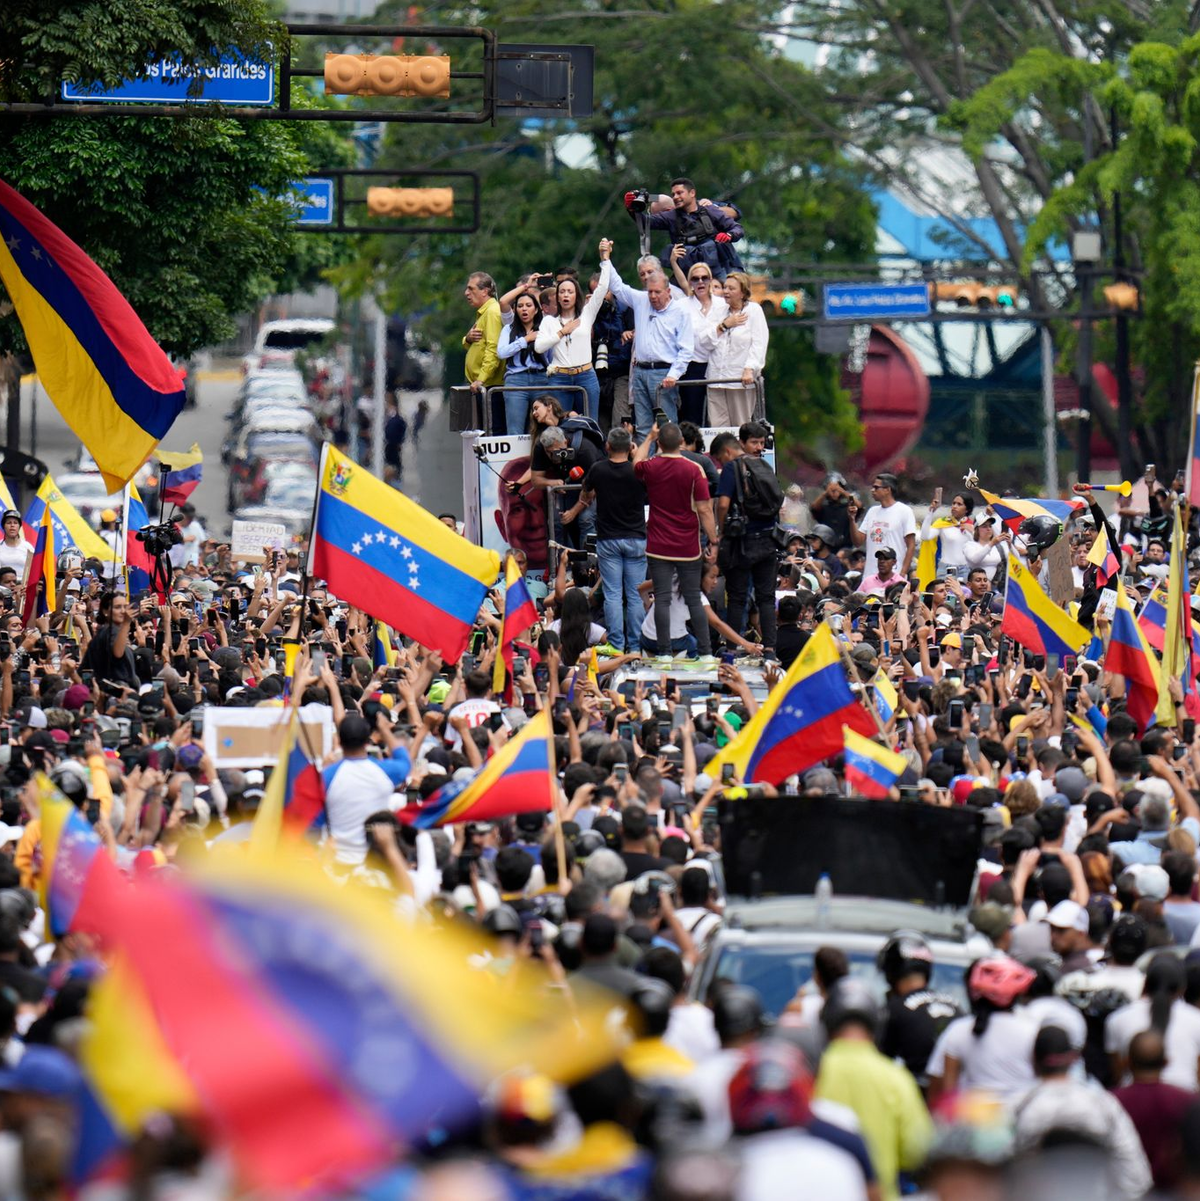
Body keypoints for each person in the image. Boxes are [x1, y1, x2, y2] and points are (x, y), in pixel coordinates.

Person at [815, 979, 933, 1201]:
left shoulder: (812, 1072)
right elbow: (916, 1151)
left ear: (826, 1023)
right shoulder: (896, 1078)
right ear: (876, 1024)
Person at [1012, 1025, 1152, 1201]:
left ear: (1033, 1060)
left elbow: (1000, 1172)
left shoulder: (1018, 1108)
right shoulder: (1103, 1103)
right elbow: (1134, 1173)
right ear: (1073, 1059)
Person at [632, 422, 719, 669]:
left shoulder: (651, 466)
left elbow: (635, 462)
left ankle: (664, 654)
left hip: (658, 545)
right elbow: (704, 509)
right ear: (681, 442)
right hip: (688, 545)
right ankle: (706, 654)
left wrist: (648, 438)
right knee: (693, 598)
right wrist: (713, 540)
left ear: (660, 443)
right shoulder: (694, 469)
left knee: (662, 598)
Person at [605, 246, 694, 434]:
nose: (652, 296)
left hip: (664, 373)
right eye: (650, 291)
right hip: (640, 371)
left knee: (667, 426)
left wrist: (674, 374)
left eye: (657, 292)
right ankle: (645, 454)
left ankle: (669, 453)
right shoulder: (641, 300)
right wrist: (605, 258)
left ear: (668, 291)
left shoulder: (681, 311)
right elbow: (617, 286)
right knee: (643, 427)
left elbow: (686, 349)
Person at [712, 425, 779, 654]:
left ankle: (732, 648)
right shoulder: (764, 466)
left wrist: (721, 530)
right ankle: (770, 649)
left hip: (742, 542)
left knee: (737, 597)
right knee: (766, 598)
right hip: (768, 540)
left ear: (727, 451)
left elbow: (723, 504)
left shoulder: (732, 467)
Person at [581, 427, 647, 655]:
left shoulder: (598, 469)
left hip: (608, 540)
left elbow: (586, 493)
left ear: (607, 446)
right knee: (636, 595)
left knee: (612, 594)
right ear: (630, 447)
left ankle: (617, 645)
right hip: (636, 538)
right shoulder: (637, 470)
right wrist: (636, 454)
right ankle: (636, 646)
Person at [534, 247, 613, 423]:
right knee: (561, 423)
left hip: (585, 374)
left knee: (590, 422)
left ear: (576, 295)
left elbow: (602, 288)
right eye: (562, 292)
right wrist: (562, 332)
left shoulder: (586, 314)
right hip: (559, 377)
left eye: (570, 292)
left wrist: (605, 258)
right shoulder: (549, 321)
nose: (566, 295)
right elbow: (539, 347)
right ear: (557, 297)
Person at [320, 713, 411, 866]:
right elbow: (404, 760)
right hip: (376, 861)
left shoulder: (326, 776)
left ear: (339, 741)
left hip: (338, 862)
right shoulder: (384, 771)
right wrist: (384, 730)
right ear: (367, 741)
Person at [1114, 1029, 1196, 1191]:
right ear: (1166, 1062)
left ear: (1126, 1062)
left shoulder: (1111, 1103)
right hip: (1175, 1190)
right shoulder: (1188, 1102)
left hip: (1125, 1191)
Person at [1106, 953, 1200, 1090]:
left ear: (1145, 984)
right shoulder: (1196, 1018)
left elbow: (1118, 1072)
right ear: (1182, 988)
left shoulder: (1117, 1019)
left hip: (1132, 1096)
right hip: (1185, 1095)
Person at [626, 177, 745, 281]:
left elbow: (736, 225)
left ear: (692, 193)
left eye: (679, 193)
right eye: (673, 194)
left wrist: (729, 235)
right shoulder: (671, 216)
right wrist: (632, 209)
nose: (676, 197)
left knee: (733, 286)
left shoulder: (709, 209)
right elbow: (646, 222)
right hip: (690, 273)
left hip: (718, 267)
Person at [697, 271, 768, 427]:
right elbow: (703, 341)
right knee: (717, 428)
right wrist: (724, 325)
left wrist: (750, 368)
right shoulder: (718, 311)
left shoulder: (754, 311)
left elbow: (759, 343)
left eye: (731, 288)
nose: (726, 291)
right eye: (725, 287)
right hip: (716, 378)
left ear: (742, 293)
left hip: (739, 380)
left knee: (741, 425)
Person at [669, 253, 728, 425]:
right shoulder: (682, 306)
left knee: (718, 415)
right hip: (692, 365)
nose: (700, 282)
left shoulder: (723, 305)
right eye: (695, 279)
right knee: (691, 414)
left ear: (710, 280)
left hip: (718, 364)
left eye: (704, 278)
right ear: (690, 282)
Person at [497, 290, 549, 435]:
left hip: (541, 378)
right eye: (520, 306)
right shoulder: (509, 329)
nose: (524, 309)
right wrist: (525, 340)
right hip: (516, 380)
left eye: (528, 305)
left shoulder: (544, 328)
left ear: (536, 309)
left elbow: (551, 355)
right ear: (515, 310)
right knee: (515, 429)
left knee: (543, 427)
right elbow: (501, 352)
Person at [854, 473, 917, 580]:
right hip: (871, 576)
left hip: (894, 574)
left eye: (876, 487)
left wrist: (902, 573)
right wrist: (852, 519)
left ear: (887, 489)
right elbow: (858, 542)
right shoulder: (872, 511)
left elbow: (911, 545)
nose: (872, 490)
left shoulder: (904, 511)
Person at [463, 271, 505, 408]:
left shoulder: (492, 312)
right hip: (483, 385)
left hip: (489, 386)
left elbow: (493, 349)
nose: (466, 293)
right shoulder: (484, 312)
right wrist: (467, 339)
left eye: (471, 289)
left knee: (492, 421)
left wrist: (481, 379)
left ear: (485, 291)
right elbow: (477, 345)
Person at [80, 591, 138, 689]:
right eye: (117, 607)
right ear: (105, 611)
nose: (123, 611)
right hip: (115, 692)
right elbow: (118, 654)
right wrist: (126, 623)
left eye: (125, 607)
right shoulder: (111, 630)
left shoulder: (105, 632)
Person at [0, 512, 31, 580]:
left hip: (24, 584)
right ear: (3, 526)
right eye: (9, 523)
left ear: (19, 526)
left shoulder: (28, 547)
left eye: (15, 523)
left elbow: (34, 570)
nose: (12, 525)